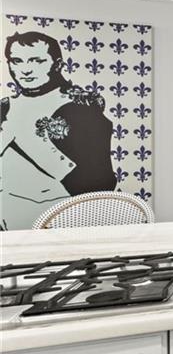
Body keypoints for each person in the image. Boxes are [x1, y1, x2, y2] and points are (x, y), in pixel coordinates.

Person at [1, 31, 116, 229]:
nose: (25, 70)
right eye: (17, 61)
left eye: (37, 61)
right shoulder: (5, 106)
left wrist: (27, 138)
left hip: (60, 223)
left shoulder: (80, 107)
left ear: (57, 64)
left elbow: (101, 183)